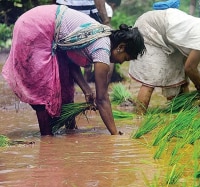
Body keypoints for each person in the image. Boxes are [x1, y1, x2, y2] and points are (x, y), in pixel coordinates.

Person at [1, 5, 146, 135]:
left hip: (43, 23)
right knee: (43, 90)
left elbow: (70, 62)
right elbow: (102, 99)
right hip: (36, 27)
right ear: (120, 47)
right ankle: (46, 139)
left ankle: (69, 132)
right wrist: (114, 135)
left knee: (65, 85)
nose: (121, 62)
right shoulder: (102, 50)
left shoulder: (103, 34)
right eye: (125, 58)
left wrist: (87, 90)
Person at [128, 8, 200, 114]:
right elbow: (190, 68)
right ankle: (139, 118)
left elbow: (186, 67)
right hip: (150, 29)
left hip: (165, 34)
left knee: (177, 74)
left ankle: (179, 109)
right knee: (151, 79)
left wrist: (199, 86)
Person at [54, 0, 111, 83]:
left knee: (64, 52)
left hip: (62, 11)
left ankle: (76, 85)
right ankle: (86, 85)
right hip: (86, 12)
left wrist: (55, 9)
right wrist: (106, 21)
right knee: (91, 52)